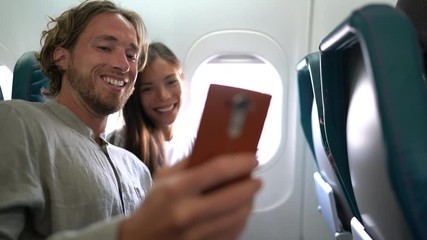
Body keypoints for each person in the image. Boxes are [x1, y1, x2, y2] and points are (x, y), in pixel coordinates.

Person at [0, 1, 262, 240]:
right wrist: (129, 233)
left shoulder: (136, 168)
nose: (123, 65)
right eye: (105, 47)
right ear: (62, 57)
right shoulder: (17, 122)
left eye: (132, 55)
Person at [108, 42, 193, 176]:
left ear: (182, 79)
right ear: (135, 96)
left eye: (171, 82)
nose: (163, 96)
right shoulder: (119, 143)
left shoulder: (190, 142)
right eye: (148, 89)